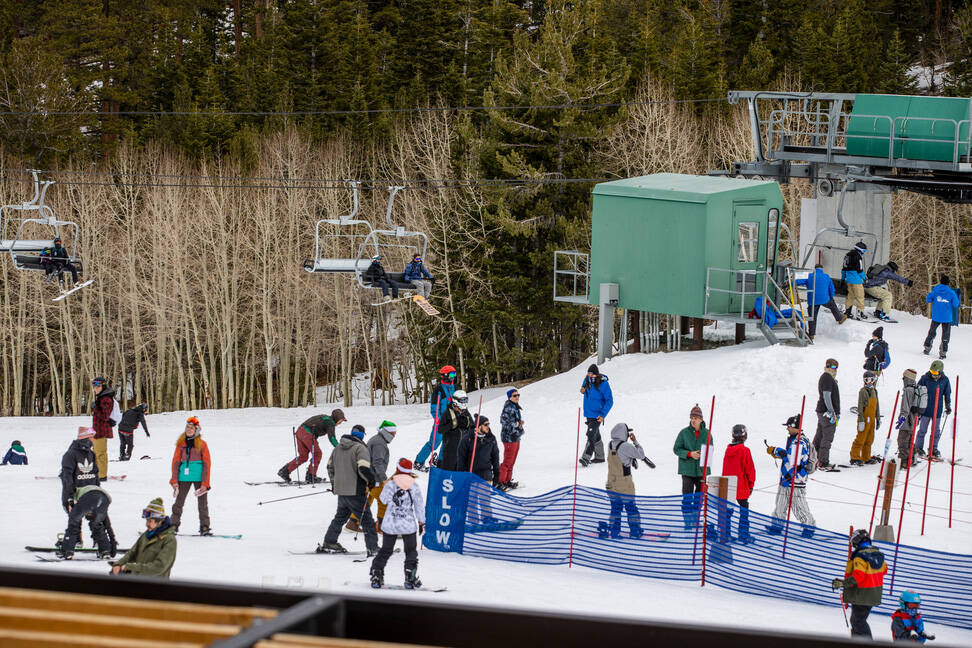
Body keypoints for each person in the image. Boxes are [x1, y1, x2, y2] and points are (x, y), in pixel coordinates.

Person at [58, 427, 116, 559]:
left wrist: (98, 490)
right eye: (92, 437)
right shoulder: (70, 454)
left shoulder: (91, 454)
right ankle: (79, 542)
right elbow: (67, 478)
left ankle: (94, 545)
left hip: (91, 494)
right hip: (75, 493)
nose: (94, 440)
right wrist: (69, 498)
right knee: (76, 519)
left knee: (92, 520)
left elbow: (95, 476)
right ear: (85, 437)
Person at [320, 425, 379, 554]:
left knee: (339, 518)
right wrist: (371, 481)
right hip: (356, 492)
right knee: (368, 521)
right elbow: (363, 468)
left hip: (341, 491)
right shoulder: (360, 448)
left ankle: (330, 542)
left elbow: (330, 467)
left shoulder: (337, 448)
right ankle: (373, 548)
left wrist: (335, 484)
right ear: (362, 435)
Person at [370, 458, 426, 589]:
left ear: (397, 469)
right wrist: (421, 522)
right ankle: (410, 577)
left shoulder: (390, 484)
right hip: (408, 525)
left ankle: (377, 575)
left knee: (385, 550)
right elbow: (419, 506)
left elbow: (383, 500)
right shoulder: (414, 486)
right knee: (411, 551)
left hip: (391, 524)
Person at [765, 415, 816, 537]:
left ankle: (809, 526)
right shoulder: (794, 440)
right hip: (786, 478)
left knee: (798, 504)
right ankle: (777, 525)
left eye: (788, 426)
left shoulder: (800, 442)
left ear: (794, 427)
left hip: (796, 479)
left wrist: (776, 451)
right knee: (780, 503)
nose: (787, 429)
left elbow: (792, 459)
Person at [832, 528, 888, 638]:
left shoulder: (860, 557)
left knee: (858, 621)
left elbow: (858, 576)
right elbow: (884, 570)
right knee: (857, 621)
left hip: (862, 594)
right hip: (873, 595)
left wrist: (843, 583)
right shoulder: (877, 555)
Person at [347, 420, 398, 533]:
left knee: (366, 500)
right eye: (393, 433)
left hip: (367, 476)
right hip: (374, 478)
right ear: (386, 432)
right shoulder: (379, 443)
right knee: (384, 500)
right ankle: (382, 526)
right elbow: (377, 463)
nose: (394, 436)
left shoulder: (377, 440)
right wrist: (384, 480)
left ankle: (353, 522)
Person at [110, 498, 177, 578]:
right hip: (140, 581)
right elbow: (132, 553)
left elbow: (158, 568)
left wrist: (130, 567)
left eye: (150, 521)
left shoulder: (169, 540)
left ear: (159, 521)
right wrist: (118, 564)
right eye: (146, 520)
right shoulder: (146, 535)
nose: (146, 524)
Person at [599, 423, 645, 539]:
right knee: (631, 508)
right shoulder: (625, 446)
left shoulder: (610, 445)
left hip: (611, 483)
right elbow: (641, 454)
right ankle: (635, 531)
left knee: (615, 508)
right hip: (624, 484)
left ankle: (614, 531)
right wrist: (635, 442)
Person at [169, 416, 212, 535]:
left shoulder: (202, 444)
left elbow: (207, 464)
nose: (188, 429)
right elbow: (176, 462)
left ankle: (205, 527)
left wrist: (205, 483)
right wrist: (174, 479)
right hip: (184, 477)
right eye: (187, 427)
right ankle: (173, 525)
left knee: (202, 505)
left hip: (199, 478)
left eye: (191, 428)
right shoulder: (181, 444)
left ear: (196, 430)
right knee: (178, 503)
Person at [277, 409, 346, 484]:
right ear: (337, 419)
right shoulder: (330, 423)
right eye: (341, 420)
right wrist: (339, 447)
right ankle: (311, 476)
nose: (340, 423)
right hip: (308, 434)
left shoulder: (325, 417)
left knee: (303, 456)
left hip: (300, 431)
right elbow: (332, 438)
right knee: (317, 453)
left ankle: (284, 471)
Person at [673, 404, 712, 530]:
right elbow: (676, 449)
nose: (693, 420)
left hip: (701, 471)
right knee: (687, 498)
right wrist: (690, 454)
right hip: (687, 471)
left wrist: (702, 455)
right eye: (692, 418)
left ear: (701, 420)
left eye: (696, 418)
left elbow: (709, 452)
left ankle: (695, 521)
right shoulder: (684, 433)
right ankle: (687, 523)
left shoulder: (707, 434)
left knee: (699, 498)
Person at [457, 416, 500, 524]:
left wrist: (497, 474)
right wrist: (462, 476)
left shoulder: (491, 438)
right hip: (471, 474)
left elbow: (495, 457)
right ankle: (473, 520)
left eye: (488, 424)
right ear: (478, 426)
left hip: (485, 474)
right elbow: (461, 458)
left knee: (485, 499)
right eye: (485, 424)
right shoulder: (468, 439)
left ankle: (487, 518)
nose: (488, 426)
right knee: (472, 500)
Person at [415, 365, 456, 471]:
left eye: (454, 374)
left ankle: (441, 463)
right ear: (445, 375)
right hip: (441, 422)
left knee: (447, 443)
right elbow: (434, 408)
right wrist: (437, 418)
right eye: (451, 374)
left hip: (452, 422)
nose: (453, 377)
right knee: (434, 443)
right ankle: (419, 462)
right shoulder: (438, 390)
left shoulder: (455, 388)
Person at [721, 424, 756, 543]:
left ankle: (725, 534)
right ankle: (743, 534)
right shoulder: (745, 450)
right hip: (741, 486)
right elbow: (750, 470)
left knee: (727, 511)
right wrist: (751, 485)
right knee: (744, 509)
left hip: (728, 485)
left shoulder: (728, 450)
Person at [914, 360, 952, 461]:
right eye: (932, 372)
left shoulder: (945, 380)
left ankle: (933, 448)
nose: (933, 374)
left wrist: (948, 405)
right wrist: (917, 405)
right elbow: (918, 390)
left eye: (935, 373)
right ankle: (918, 447)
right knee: (922, 430)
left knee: (936, 431)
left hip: (937, 410)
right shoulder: (925, 378)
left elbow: (947, 393)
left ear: (940, 372)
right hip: (925, 409)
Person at [797, 263, 846, 339]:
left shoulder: (810, 276)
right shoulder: (826, 276)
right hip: (824, 299)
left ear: (815, 269)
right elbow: (831, 289)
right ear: (822, 269)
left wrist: (791, 281)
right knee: (832, 305)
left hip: (812, 300)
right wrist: (831, 297)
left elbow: (799, 281)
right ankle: (840, 318)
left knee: (812, 316)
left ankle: (811, 334)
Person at [579, 364, 613, 466]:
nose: (590, 376)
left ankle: (586, 457)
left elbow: (609, 401)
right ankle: (600, 457)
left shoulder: (603, 384)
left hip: (598, 415)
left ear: (597, 375)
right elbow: (584, 389)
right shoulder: (586, 380)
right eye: (589, 374)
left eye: (592, 375)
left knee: (590, 434)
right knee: (595, 435)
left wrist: (603, 415)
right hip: (588, 413)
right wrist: (582, 390)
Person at [435, 389, 474, 471]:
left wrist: (470, 425)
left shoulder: (466, 412)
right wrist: (452, 425)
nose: (464, 403)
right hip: (450, 450)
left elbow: (473, 427)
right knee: (448, 473)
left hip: (463, 450)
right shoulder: (448, 413)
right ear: (456, 401)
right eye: (462, 400)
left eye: (466, 400)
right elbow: (440, 429)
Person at [813, 358, 841, 471]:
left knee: (820, 435)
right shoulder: (827, 378)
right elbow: (826, 396)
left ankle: (813, 459)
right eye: (833, 367)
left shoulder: (827, 378)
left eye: (836, 368)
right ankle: (823, 462)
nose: (834, 370)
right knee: (827, 437)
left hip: (823, 411)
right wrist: (832, 411)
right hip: (826, 412)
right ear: (828, 366)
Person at [923, 275, 959, 359]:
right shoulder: (951, 292)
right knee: (946, 335)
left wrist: (934, 300)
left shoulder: (935, 290)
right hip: (947, 318)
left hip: (936, 316)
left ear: (940, 281)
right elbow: (956, 304)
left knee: (932, 331)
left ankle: (927, 348)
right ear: (948, 283)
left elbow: (928, 299)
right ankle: (943, 353)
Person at [896, 369, 927, 469]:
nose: (903, 379)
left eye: (904, 377)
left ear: (907, 378)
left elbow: (905, 407)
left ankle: (903, 462)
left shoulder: (908, 390)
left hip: (906, 421)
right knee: (910, 440)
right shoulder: (916, 388)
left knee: (902, 441)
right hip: (914, 420)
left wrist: (901, 419)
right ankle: (912, 458)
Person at [851, 371, 881, 466]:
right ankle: (855, 457)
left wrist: (878, 418)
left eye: (872, 379)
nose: (870, 382)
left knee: (869, 439)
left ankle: (866, 457)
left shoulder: (874, 391)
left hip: (872, 418)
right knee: (861, 438)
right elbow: (860, 406)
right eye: (867, 380)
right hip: (865, 418)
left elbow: (877, 406)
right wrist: (861, 420)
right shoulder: (863, 391)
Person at [90, 377, 116, 479]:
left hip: (102, 430)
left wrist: (94, 408)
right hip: (97, 430)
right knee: (96, 452)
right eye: (94, 386)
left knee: (100, 453)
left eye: (98, 386)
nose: (95, 388)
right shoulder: (101, 397)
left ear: (103, 386)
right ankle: (97, 472)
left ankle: (102, 475)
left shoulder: (106, 399)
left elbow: (105, 415)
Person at [499, 388, 524, 491]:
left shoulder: (514, 406)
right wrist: (517, 424)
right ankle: (501, 482)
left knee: (512, 461)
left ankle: (507, 481)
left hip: (515, 437)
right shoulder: (508, 407)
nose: (517, 397)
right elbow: (504, 421)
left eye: (518, 395)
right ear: (510, 397)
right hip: (509, 438)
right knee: (507, 461)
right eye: (514, 395)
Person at [841, 241, 869, 321]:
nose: (863, 253)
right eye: (864, 251)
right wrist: (865, 278)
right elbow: (860, 270)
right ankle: (860, 313)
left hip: (848, 279)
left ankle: (847, 312)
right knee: (860, 296)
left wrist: (843, 279)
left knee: (850, 296)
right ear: (860, 250)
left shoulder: (847, 256)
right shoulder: (858, 257)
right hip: (856, 280)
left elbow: (844, 268)